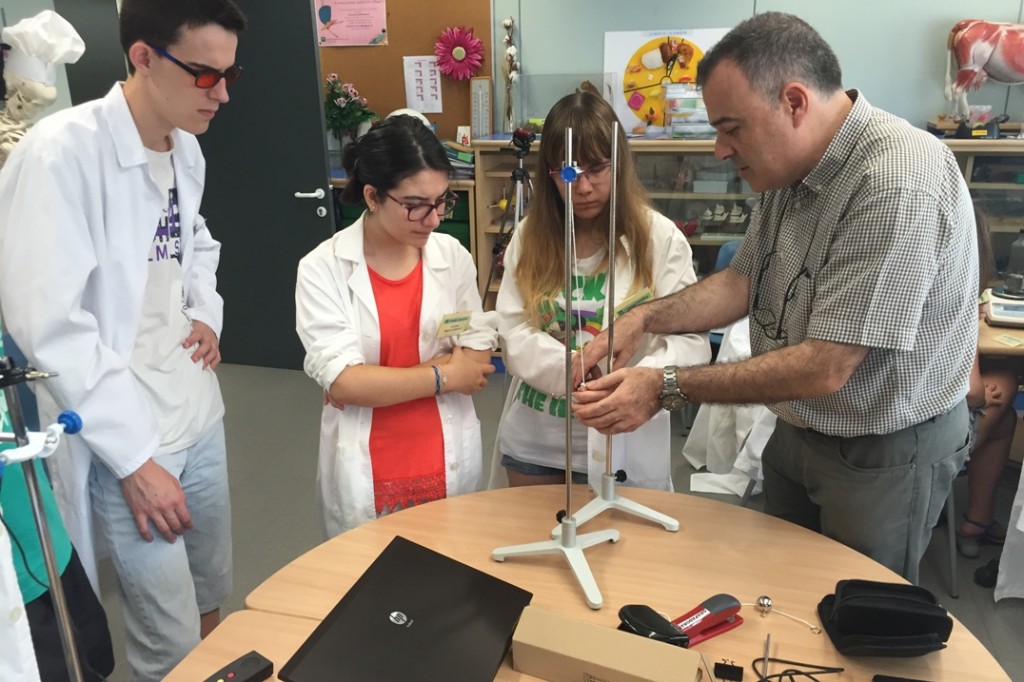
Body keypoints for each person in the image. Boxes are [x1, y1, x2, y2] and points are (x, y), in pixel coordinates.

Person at [574, 12, 977, 584]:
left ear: (794, 102)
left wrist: (665, 387)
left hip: (880, 447)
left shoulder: (895, 182)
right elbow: (743, 280)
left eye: (731, 128)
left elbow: (827, 365)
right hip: (798, 428)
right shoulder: (790, 167)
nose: (718, 149)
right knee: (785, 590)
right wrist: (644, 319)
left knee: (856, 610)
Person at [0, 0, 247, 678]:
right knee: (166, 638)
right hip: (125, 434)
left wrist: (207, 313)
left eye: (230, 74)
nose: (221, 93)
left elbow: (196, 241)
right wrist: (136, 463)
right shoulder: (59, 156)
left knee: (207, 595)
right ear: (142, 56)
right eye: (204, 74)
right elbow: (45, 322)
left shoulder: (183, 149)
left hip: (196, 409)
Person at [493, 90, 709, 489]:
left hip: (627, 439)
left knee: (626, 550)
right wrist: (570, 367)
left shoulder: (659, 238)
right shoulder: (531, 236)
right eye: (569, 173)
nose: (584, 187)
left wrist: (641, 381)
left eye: (597, 169)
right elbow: (513, 329)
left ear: (620, 164)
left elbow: (692, 340)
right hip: (539, 443)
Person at [295, 114, 497, 539]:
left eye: (443, 201)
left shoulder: (451, 255)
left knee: (451, 577)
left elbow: (477, 356)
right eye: (415, 205)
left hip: (446, 456)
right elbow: (347, 383)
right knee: (374, 588)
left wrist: (383, 381)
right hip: (371, 466)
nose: (434, 218)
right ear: (372, 196)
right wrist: (445, 373)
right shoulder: (322, 268)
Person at [959, 208, 1017, 558]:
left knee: (1005, 420)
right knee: (1007, 381)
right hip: (924, 441)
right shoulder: (957, 299)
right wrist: (983, 398)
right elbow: (971, 392)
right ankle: (976, 521)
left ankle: (976, 521)